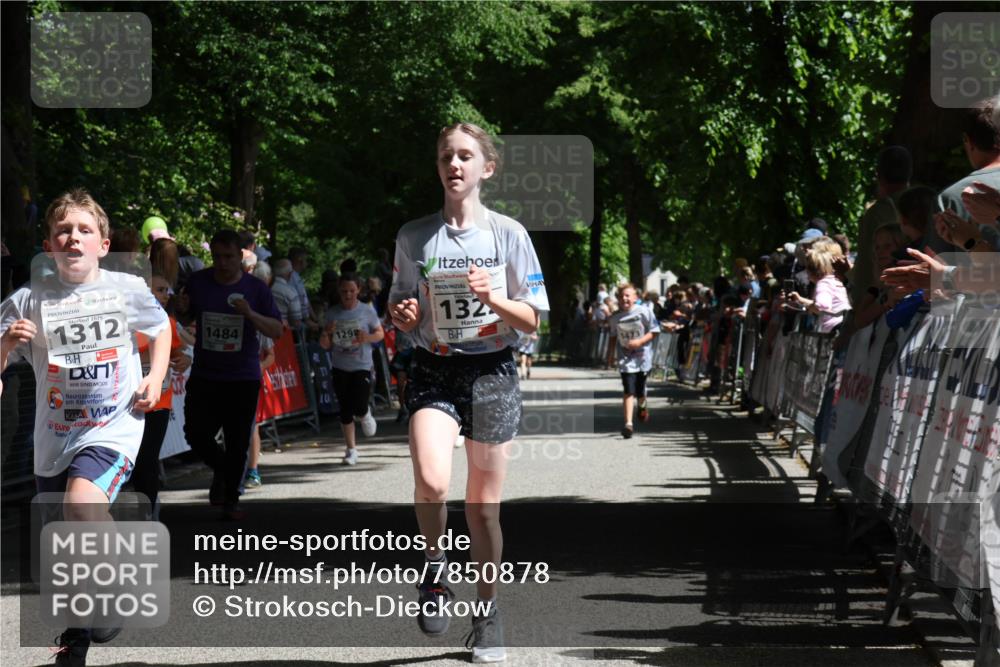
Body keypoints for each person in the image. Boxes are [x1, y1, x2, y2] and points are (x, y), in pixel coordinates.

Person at [388, 122, 549, 663]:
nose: (454, 165)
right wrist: (404, 314)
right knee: (432, 483)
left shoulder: (510, 234)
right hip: (434, 368)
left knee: (482, 510)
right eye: (445, 157)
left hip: (492, 373)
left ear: (487, 168)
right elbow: (404, 310)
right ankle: (435, 572)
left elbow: (532, 322)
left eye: (464, 156)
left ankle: (488, 614)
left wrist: (494, 298)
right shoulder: (414, 235)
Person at [0, 189, 170, 666]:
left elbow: (160, 330)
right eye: (63, 231)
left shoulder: (125, 288)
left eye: (84, 230)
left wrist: (155, 377)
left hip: (114, 426)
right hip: (55, 436)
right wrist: (7, 342)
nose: (73, 238)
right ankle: (76, 640)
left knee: (81, 504)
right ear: (49, 245)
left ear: (103, 242)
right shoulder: (29, 300)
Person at [177, 229, 282, 520]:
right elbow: (183, 317)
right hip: (206, 375)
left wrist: (250, 314)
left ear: (241, 257)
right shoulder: (198, 283)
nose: (222, 263)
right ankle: (223, 471)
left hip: (242, 377)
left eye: (228, 257)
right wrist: (183, 310)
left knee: (237, 441)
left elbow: (277, 330)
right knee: (196, 434)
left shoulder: (256, 289)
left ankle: (231, 501)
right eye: (217, 257)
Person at [130, 272, 190, 521]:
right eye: (160, 290)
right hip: (129, 402)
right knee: (133, 458)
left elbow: (179, 353)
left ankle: (149, 510)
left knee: (147, 457)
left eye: (167, 290)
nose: (166, 295)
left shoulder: (166, 321)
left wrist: (184, 359)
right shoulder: (128, 321)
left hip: (159, 402)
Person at [325, 273, 383, 466]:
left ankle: (365, 413)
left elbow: (380, 333)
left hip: (361, 364)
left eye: (351, 291)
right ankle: (351, 450)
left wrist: (366, 338)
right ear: (338, 291)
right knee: (344, 409)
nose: (348, 295)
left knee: (359, 404)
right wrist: (327, 332)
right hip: (340, 364)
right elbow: (324, 344)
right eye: (344, 291)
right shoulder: (332, 313)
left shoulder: (366, 311)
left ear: (358, 290)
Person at [849, 146, 911, 308]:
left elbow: (866, 267)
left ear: (879, 176)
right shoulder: (926, 204)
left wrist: (861, 304)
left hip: (881, 304)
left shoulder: (877, 213)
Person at [606, 283, 659, 439]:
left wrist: (640, 342)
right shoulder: (615, 317)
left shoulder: (645, 312)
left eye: (628, 295)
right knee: (629, 391)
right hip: (626, 360)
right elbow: (613, 336)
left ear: (635, 297)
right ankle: (628, 424)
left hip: (643, 358)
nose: (625, 298)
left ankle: (642, 406)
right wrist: (609, 355)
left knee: (640, 390)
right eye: (622, 296)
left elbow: (655, 331)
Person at [271, 258, 303, 328]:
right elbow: (296, 322)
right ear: (290, 274)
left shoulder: (265, 286)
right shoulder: (291, 292)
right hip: (282, 333)